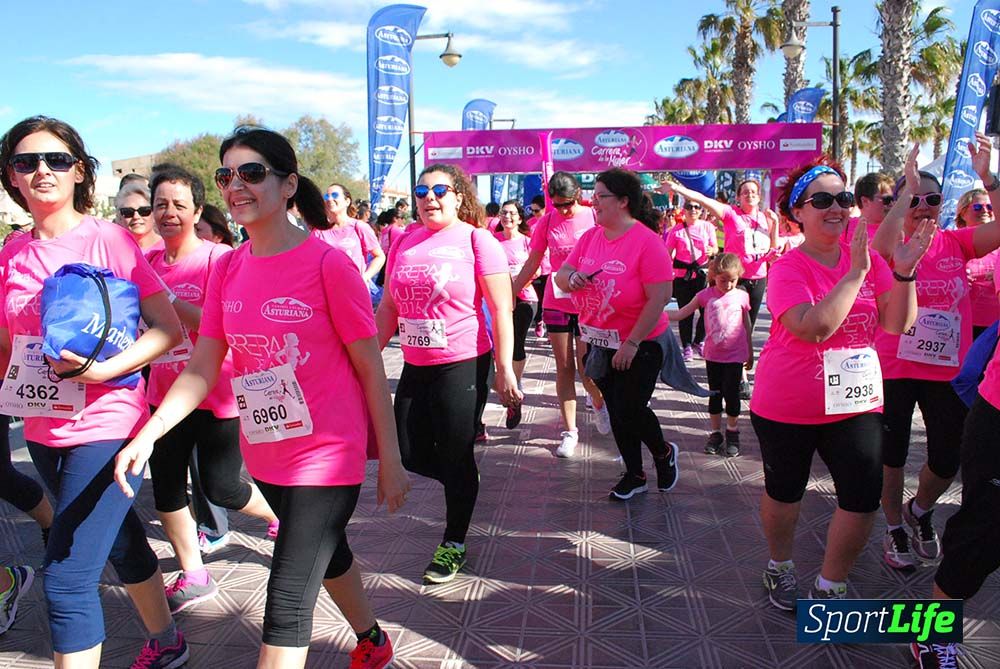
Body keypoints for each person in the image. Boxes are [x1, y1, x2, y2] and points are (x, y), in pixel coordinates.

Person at [114, 126, 409, 669]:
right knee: (328, 550)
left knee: (287, 601)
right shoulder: (230, 266)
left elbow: (371, 368)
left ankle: (361, 640)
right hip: (268, 450)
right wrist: (149, 433)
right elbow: (204, 366)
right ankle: (372, 638)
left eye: (253, 173)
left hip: (328, 455)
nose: (236, 185)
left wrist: (388, 459)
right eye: (228, 175)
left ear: (288, 183)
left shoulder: (328, 265)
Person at [0, 115, 186, 667]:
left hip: (108, 426)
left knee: (66, 581)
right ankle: (168, 640)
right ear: (11, 178)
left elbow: (168, 328)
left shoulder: (109, 239)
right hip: (41, 425)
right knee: (122, 541)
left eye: (56, 160)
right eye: (25, 162)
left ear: (80, 172)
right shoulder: (11, 253)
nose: (41, 171)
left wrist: (105, 372)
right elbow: (8, 346)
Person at [751, 156, 933, 610]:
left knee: (862, 497)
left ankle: (831, 585)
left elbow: (897, 324)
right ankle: (780, 566)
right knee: (785, 492)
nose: (837, 208)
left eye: (845, 199)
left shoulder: (870, 259)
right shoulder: (788, 269)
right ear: (799, 212)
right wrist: (854, 275)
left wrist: (905, 272)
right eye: (823, 200)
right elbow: (813, 328)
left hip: (856, 401)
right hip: (788, 402)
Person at [376, 163, 521, 584]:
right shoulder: (404, 239)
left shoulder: (478, 241)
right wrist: (367, 353)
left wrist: (505, 369)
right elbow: (388, 307)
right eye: (421, 193)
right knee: (407, 450)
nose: (430, 199)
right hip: (414, 362)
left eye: (440, 190)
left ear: (458, 195)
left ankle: (453, 541)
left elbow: (501, 309)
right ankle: (463, 480)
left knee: (456, 454)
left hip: (463, 362)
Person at [144, 164, 278, 614]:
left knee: (222, 488)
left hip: (215, 393)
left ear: (197, 210)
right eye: (160, 204)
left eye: (179, 205)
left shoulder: (217, 260)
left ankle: (277, 515)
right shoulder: (146, 264)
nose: (168, 213)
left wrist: (170, 303)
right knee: (165, 489)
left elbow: (222, 328)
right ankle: (194, 572)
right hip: (164, 394)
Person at [871, 135, 1000, 574]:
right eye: (916, 199)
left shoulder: (956, 243)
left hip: (945, 368)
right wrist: (906, 190)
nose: (924, 205)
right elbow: (884, 247)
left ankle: (920, 510)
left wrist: (988, 176)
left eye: (932, 198)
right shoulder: (889, 242)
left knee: (948, 456)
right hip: (894, 366)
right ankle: (893, 526)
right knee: (892, 453)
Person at [555, 169, 679, 500]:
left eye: (600, 196)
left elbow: (660, 297)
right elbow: (562, 275)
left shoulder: (647, 242)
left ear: (623, 201)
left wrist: (633, 343)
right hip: (599, 340)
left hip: (644, 342)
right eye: (592, 196)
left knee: (629, 407)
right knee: (616, 408)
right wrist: (573, 278)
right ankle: (635, 474)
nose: (593, 202)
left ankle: (663, 452)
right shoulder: (589, 238)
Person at [512, 172, 609, 458]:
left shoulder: (593, 217)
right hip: (557, 301)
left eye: (568, 204)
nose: (564, 210)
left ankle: (600, 404)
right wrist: (512, 292)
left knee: (587, 368)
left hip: (589, 303)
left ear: (579, 195)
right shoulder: (548, 221)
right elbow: (533, 260)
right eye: (558, 205)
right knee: (564, 367)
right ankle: (570, 432)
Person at [661, 178, 779, 398]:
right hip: (735, 279)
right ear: (738, 196)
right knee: (733, 326)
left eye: (753, 192)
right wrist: (677, 189)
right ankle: (738, 376)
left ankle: (737, 368)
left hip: (759, 277)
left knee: (748, 326)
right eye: (745, 192)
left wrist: (777, 225)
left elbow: (773, 248)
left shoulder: (765, 218)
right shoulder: (731, 214)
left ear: (759, 196)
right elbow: (702, 200)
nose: (750, 195)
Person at [671, 253, 752, 457]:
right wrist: (654, 314)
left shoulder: (742, 296)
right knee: (715, 394)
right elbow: (682, 313)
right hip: (714, 355)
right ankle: (716, 433)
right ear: (714, 276)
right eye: (723, 280)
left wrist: (750, 351)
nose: (728, 285)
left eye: (732, 280)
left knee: (732, 395)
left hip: (735, 355)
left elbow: (747, 323)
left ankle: (732, 431)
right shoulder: (705, 295)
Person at [496, 199, 537, 429]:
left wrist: (517, 285)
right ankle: (506, 382)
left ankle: (515, 385)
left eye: (512, 213)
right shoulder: (493, 242)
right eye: (504, 213)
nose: (507, 217)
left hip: (525, 299)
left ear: (520, 218)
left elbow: (537, 268)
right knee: (500, 345)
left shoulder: (528, 242)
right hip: (499, 300)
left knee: (517, 344)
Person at [663, 199, 718, 360]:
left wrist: (711, 250)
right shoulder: (676, 230)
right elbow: (668, 254)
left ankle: (698, 341)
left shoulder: (707, 227)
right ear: (684, 210)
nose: (693, 210)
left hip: (702, 274)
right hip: (682, 276)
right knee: (685, 312)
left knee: (706, 310)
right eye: (689, 207)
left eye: (696, 207)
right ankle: (686, 345)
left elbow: (715, 247)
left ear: (701, 211)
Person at [314, 183, 385, 284]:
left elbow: (380, 256)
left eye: (334, 195)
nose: (329, 199)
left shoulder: (359, 227)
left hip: (355, 290)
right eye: (326, 196)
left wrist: (365, 277)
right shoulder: (319, 231)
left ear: (347, 201)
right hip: (328, 290)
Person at [956, 188, 999, 340]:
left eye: (990, 207)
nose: (985, 211)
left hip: (995, 326)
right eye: (977, 207)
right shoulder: (954, 242)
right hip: (961, 323)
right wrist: (956, 277)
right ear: (962, 213)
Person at [115, 180, 163, 252]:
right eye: (128, 212)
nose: (136, 217)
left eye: (144, 211)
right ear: (120, 217)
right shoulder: (114, 251)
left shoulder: (168, 248)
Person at [844, 172, 895, 239]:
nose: (892, 204)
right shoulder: (844, 228)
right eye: (887, 199)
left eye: (894, 199)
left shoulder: (897, 231)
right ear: (865, 201)